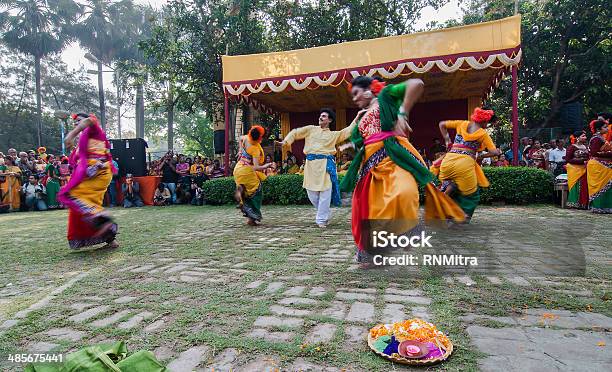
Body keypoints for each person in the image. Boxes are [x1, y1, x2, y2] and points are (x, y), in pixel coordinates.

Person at [342, 76, 464, 264]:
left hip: (391, 159)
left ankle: (405, 232)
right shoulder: (362, 116)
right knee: (369, 211)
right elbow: (360, 144)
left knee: (403, 193)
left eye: (356, 93)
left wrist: (402, 113)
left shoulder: (386, 96)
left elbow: (417, 84)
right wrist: (350, 145)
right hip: (370, 167)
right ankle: (368, 252)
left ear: (369, 89)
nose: (354, 99)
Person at [277, 108, 354, 227]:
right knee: (311, 193)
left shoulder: (334, 135)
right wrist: (286, 142)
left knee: (325, 192)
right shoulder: (310, 129)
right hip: (311, 165)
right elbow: (296, 132)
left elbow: (347, 131)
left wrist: (358, 117)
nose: (320, 117)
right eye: (320, 115)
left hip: (325, 165)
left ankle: (321, 220)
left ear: (329, 120)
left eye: (323, 116)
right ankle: (324, 212)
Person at [57, 113, 118, 250]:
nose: (76, 124)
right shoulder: (83, 143)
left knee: (73, 197)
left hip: (97, 171)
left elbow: (90, 120)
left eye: (79, 121)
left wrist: (71, 134)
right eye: (74, 122)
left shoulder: (94, 129)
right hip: (90, 175)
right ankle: (110, 239)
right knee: (83, 208)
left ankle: (106, 221)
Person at [438, 107, 501, 220]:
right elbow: (493, 152)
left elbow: (442, 124)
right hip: (464, 163)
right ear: (484, 121)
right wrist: (482, 155)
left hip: (448, 161)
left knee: (453, 185)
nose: (488, 125)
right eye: (488, 123)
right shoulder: (482, 133)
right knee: (472, 194)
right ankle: (463, 216)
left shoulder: (462, 124)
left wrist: (448, 141)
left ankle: (447, 210)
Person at [234, 126, 274, 225]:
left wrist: (240, 150)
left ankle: (240, 191)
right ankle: (251, 219)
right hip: (247, 171)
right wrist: (267, 165)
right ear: (260, 137)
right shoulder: (255, 149)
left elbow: (240, 138)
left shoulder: (246, 138)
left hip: (238, 169)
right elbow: (256, 167)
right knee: (256, 192)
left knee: (246, 191)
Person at [587, 120, 612, 213]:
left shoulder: (601, 138)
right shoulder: (596, 139)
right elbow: (594, 153)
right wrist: (610, 154)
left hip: (603, 165)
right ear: (598, 129)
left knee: (607, 185)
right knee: (600, 186)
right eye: (605, 127)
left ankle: (606, 207)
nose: (607, 128)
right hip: (598, 165)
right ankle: (598, 207)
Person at [565, 130, 589, 209]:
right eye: (583, 136)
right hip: (574, 169)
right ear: (577, 138)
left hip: (584, 168)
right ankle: (574, 203)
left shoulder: (586, 146)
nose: (585, 137)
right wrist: (582, 161)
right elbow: (568, 159)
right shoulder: (572, 147)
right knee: (576, 186)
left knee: (584, 185)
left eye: (585, 136)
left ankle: (583, 204)